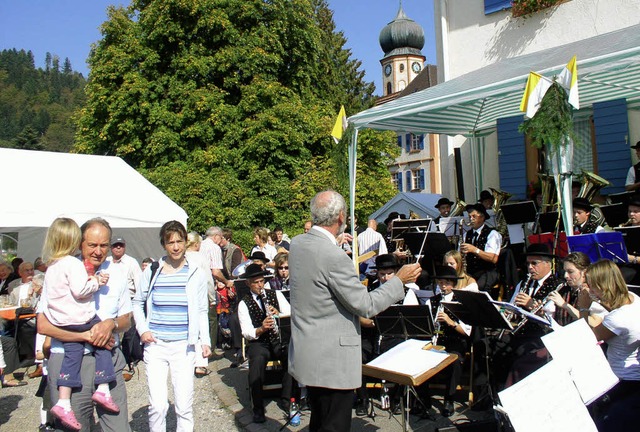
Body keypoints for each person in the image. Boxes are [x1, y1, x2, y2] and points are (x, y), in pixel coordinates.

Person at [288, 190, 422, 431]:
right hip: (332, 361)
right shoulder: (334, 257)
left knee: (319, 420)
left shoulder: (298, 244)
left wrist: (333, 241)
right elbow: (366, 305)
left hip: (307, 352)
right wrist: (399, 281)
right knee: (334, 424)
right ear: (341, 217)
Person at [37, 217, 133, 432]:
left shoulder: (117, 274)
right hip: (69, 361)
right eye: (92, 245)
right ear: (80, 243)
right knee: (75, 427)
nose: (98, 251)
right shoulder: (62, 269)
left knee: (118, 427)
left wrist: (110, 324)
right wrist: (85, 336)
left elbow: (127, 319)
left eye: (104, 245)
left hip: (109, 358)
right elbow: (43, 326)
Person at [133, 220, 211, 432]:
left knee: (184, 405)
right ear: (164, 245)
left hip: (183, 347)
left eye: (180, 241)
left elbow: (202, 309)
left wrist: (205, 341)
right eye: (170, 242)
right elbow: (137, 302)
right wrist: (143, 330)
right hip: (156, 345)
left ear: (186, 242)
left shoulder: (195, 272)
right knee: (158, 406)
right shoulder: (152, 270)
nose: (176, 247)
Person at [579, 259, 640, 432]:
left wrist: (583, 308)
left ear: (603, 285)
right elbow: (615, 308)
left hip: (622, 381)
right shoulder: (634, 299)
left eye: (592, 286)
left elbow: (587, 337)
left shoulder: (617, 319)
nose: (589, 290)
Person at [238, 263, 294, 423]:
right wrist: (261, 328)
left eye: (262, 281)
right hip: (259, 341)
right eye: (255, 282)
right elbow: (246, 331)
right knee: (257, 361)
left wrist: (279, 313)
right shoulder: (244, 303)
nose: (260, 285)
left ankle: (287, 399)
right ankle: (258, 407)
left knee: (290, 354)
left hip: (277, 338)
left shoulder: (274, 294)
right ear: (248, 283)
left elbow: (290, 313)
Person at [185, 231, 216, 377]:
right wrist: (212, 297)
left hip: (185, 297)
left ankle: (189, 361)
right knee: (201, 328)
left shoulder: (182, 258)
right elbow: (208, 280)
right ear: (196, 243)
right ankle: (201, 364)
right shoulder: (200, 258)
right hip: (199, 296)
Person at [547, 252, 606, 326]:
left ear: (584, 272)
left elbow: (595, 323)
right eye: (565, 271)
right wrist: (545, 315)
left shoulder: (592, 292)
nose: (565, 276)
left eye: (570, 272)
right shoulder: (564, 290)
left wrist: (564, 305)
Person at [459, 203, 502, 293]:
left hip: (487, 271)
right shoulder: (466, 235)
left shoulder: (492, 234)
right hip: (470, 271)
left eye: (474, 216)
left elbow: (492, 258)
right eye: (470, 216)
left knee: (477, 288)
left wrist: (474, 250)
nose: (471, 219)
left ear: (482, 217)